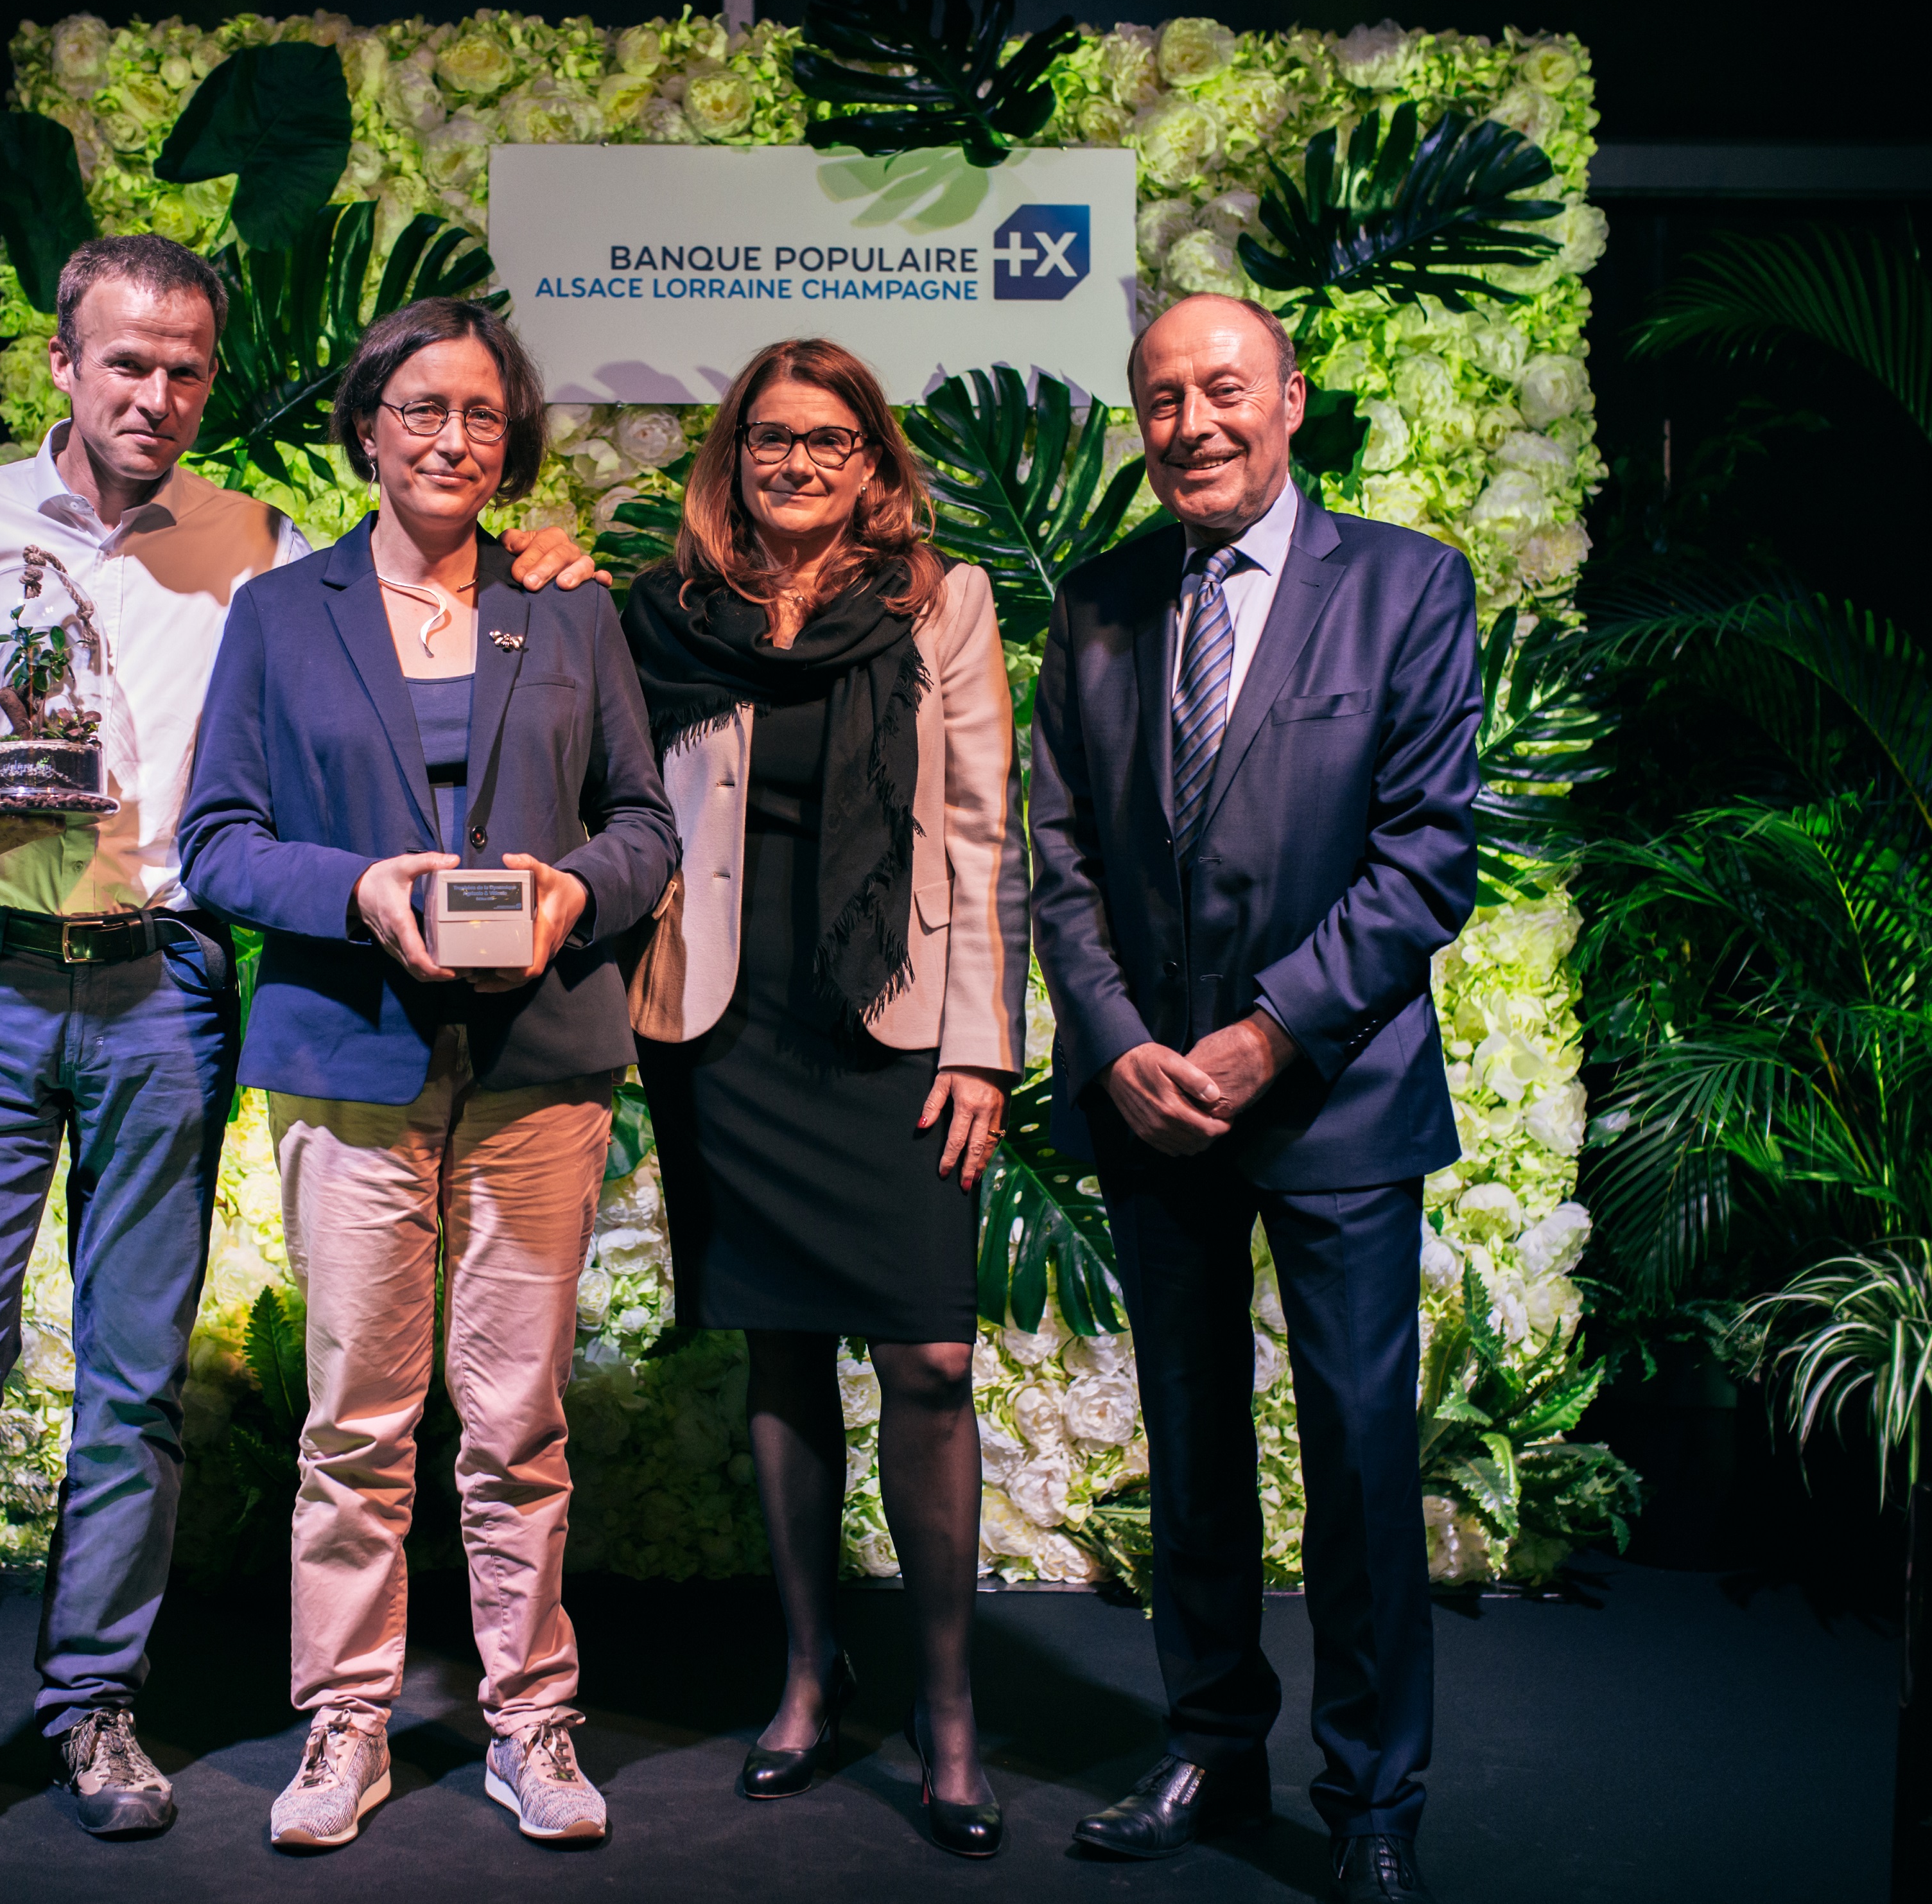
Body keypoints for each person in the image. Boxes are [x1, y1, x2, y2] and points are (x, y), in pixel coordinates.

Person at [0, 236, 605, 1887]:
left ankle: (94, 1705)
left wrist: (541, 550)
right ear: (62, 362)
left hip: (160, 981)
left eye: (185, 371)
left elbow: (413, 579)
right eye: (127, 362)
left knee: (131, 1383)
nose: (156, 395)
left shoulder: (260, 546)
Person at [178, 297, 675, 1855]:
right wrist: (361, 890)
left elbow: (648, 827)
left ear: (508, 439)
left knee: (518, 1418)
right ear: (369, 427)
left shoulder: (569, 610)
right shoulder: (283, 611)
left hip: (541, 1061)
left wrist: (571, 892)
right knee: (356, 1420)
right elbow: (217, 841)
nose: (452, 438)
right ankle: (346, 1718)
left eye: (480, 414)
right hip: (350, 1052)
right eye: (421, 409)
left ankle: (532, 1720)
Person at [1027, 293, 1477, 1904]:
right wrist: (1118, 1042)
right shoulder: (1098, 600)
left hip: (1334, 1094)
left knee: (1357, 1454)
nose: (1192, 423)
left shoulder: (1408, 586)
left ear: (1289, 399)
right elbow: (1058, 857)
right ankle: (1213, 1746)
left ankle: (1373, 1797)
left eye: (1223, 389)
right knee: (1193, 1443)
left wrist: (1269, 1034)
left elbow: (1427, 855)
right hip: (1153, 1101)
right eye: (1161, 399)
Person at [625, 338, 1027, 1858]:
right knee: (782, 1349)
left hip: (895, 1018)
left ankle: (948, 1708)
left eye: (828, 439)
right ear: (732, 458)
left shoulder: (942, 604)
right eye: (770, 438)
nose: (796, 462)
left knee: (930, 1358)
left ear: (873, 463)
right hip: (726, 1025)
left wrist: (982, 1045)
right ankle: (809, 1672)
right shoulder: (674, 613)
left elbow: (984, 831)